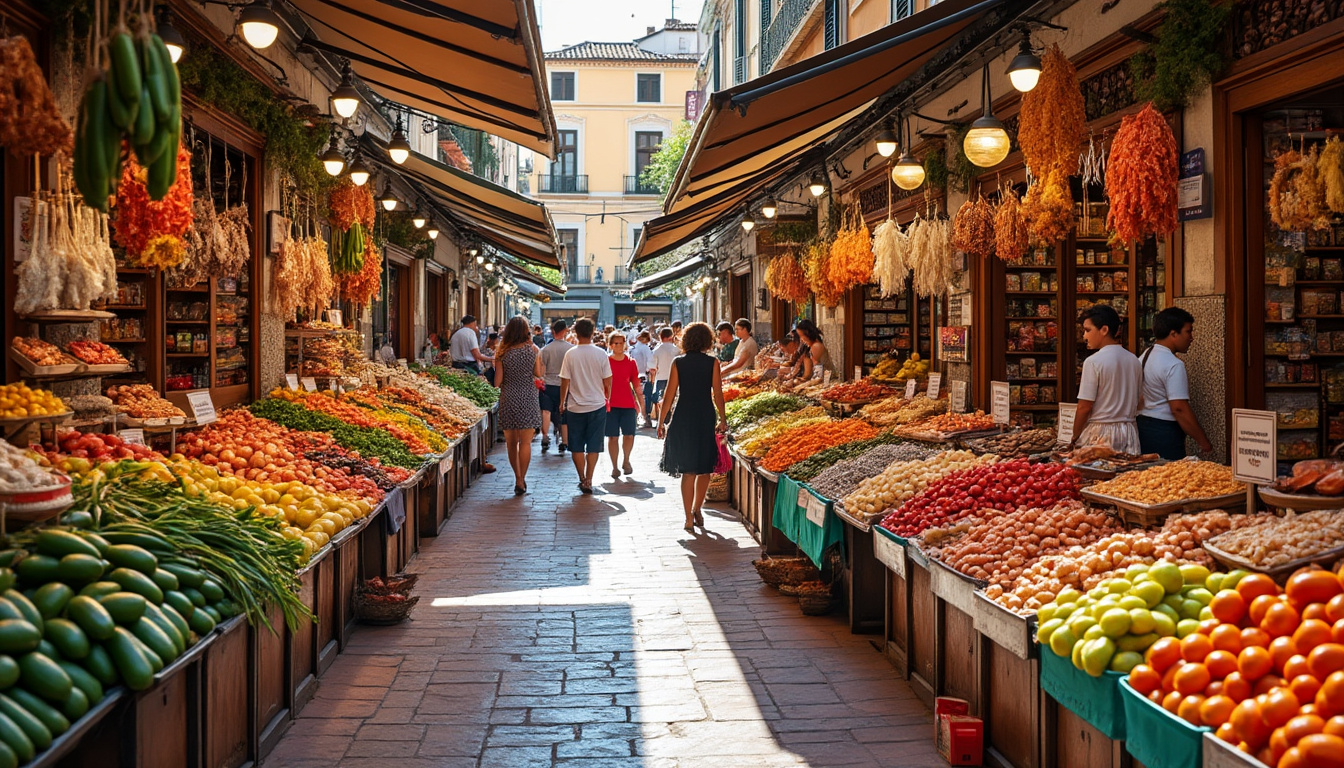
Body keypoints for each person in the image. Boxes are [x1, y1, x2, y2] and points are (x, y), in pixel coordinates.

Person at [657, 322, 728, 533]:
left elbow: (669, 396)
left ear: (686, 340)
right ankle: (698, 509)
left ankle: (688, 517)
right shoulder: (713, 363)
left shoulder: (678, 362)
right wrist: (723, 419)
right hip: (704, 415)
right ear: (707, 341)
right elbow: (718, 394)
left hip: (683, 416)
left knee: (688, 470)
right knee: (704, 467)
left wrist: (661, 422)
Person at [1137, 307, 1213, 459]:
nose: (1191, 337)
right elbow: (1179, 408)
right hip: (1164, 432)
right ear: (1173, 334)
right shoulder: (1173, 364)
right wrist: (1203, 441)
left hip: (1142, 427)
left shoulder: (1145, 356)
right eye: (1188, 331)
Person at [1071, 304, 1142, 454]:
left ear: (1104, 330)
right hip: (1129, 431)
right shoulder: (1134, 360)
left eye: (1088, 330)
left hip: (1101, 433)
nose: (1084, 336)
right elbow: (1141, 401)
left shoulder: (1093, 362)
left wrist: (1075, 435)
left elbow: (1084, 406)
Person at [558, 319, 612, 494]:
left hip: (575, 407)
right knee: (594, 445)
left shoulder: (570, 354)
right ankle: (590, 479)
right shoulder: (601, 354)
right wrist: (607, 396)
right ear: (593, 331)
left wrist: (562, 402)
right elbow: (607, 380)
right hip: (597, 405)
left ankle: (581, 478)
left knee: (577, 445)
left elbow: (564, 380)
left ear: (576, 332)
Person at [494, 317, 544, 495]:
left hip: (509, 397)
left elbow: (497, 382)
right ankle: (522, 479)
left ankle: (517, 477)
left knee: (511, 442)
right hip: (528, 396)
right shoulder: (533, 350)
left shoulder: (501, 352)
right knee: (526, 442)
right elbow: (537, 374)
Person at [604, 331, 644, 479]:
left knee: (629, 435)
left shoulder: (630, 362)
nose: (619, 346)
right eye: (616, 343)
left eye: (622, 342)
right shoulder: (606, 361)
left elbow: (636, 384)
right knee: (613, 437)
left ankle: (626, 460)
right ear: (610, 345)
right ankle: (614, 466)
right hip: (611, 405)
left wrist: (641, 405)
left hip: (628, 404)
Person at [539, 319, 573, 454]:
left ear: (553, 331)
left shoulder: (545, 349)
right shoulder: (570, 349)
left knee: (546, 411)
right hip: (564, 385)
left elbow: (542, 369)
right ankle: (565, 441)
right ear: (565, 331)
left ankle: (545, 436)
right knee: (564, 412)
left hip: (548, 384)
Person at [649, 327, 680, 425]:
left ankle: (664, 420)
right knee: (675, 399)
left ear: (661, 337)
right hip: (676, 378)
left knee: (662, 400)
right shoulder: (677, 350)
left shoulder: (656, 350)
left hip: (661, 378)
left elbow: (652, 368)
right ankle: (673, 420)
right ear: (671, 336)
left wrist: (652, 380)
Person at [628, 330, 655, 427]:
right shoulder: (645, 348)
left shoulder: (632, 348)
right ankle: (645, 417)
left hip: (632, 375)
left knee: (635, 397)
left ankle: (635, 416)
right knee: (646, 397)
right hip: (644, 375)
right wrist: (652, 371)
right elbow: (650, 361)